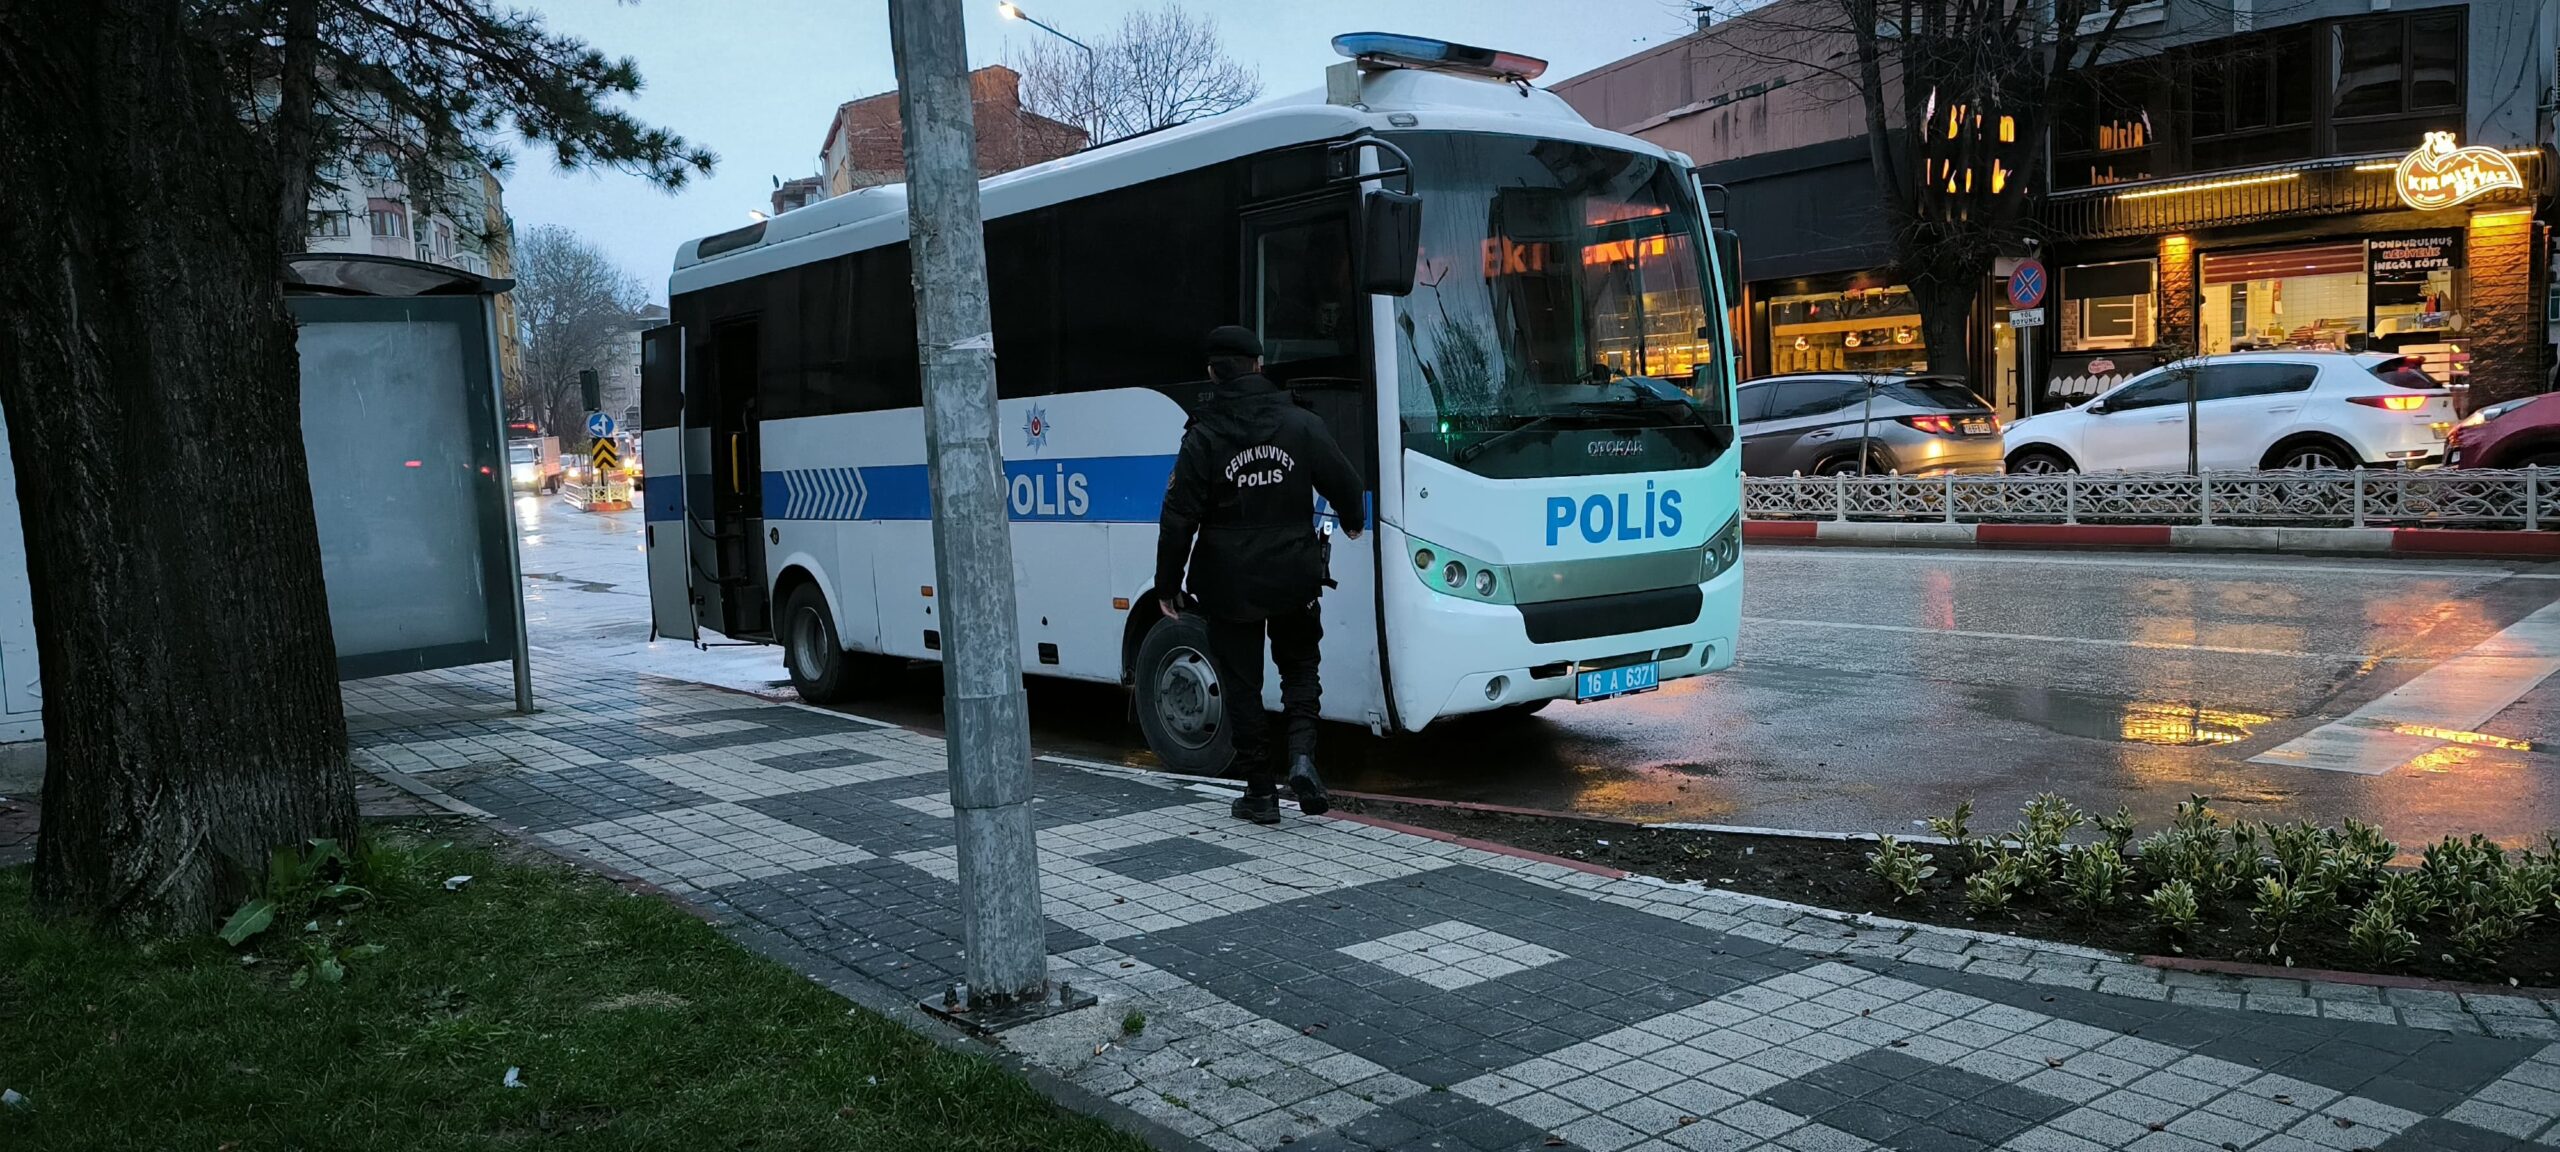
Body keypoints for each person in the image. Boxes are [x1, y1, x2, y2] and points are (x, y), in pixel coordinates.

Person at [1155, 326, 1367, 825]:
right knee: (1299, 667)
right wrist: (1353, 522)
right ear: (1258, 364)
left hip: (1229, 582)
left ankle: (1259, 793)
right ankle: (1301, 756)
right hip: (1294, 573)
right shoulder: (1300, 423)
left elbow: (1178, 515)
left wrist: (1168, 585)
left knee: (1241, 683)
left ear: (1212, 372)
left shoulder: (1203, 434)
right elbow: (1346, 482)